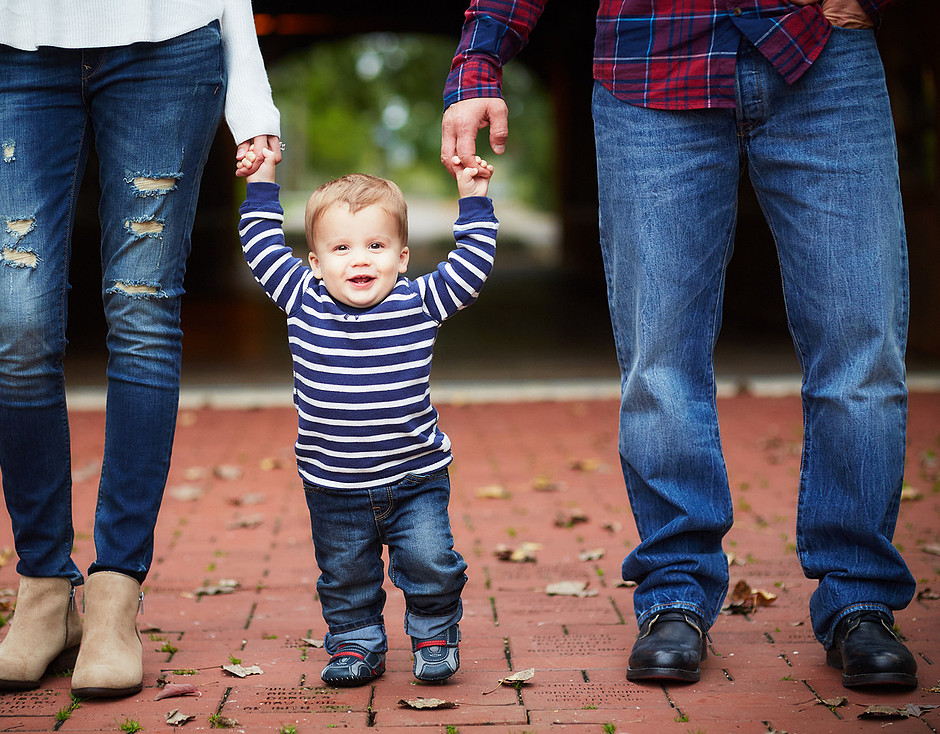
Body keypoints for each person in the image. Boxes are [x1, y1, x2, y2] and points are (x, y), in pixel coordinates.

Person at [441, 0, 918, 689]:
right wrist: (479, 61)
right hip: (653, 55)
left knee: (861, 351)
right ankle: (675, 593)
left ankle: (861, 597)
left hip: (822, 54)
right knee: (659, 361)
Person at [0, 0, 280, 698]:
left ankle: (114, 598)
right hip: (9, 48)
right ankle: (44, 593)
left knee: (142, 313)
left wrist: (253, 96)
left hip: (169, 44)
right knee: (19, 325)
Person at [235, 147, 497, 685]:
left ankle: (434, 634)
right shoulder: (303, 299)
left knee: (431, 564)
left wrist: (474, 200)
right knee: (345, 576)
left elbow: (470, 267)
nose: (360, 260)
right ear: (315, 262)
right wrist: (262, 182)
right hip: (332, 485)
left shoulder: (418, 302)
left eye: (376, 246)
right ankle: (356, 644)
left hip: (415, 477)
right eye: (342, 248)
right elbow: (261, 245)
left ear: (402, 257)